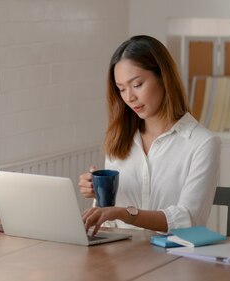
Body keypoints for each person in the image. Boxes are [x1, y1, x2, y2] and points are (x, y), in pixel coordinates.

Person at [79, 35, 221, 236]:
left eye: (137, 85)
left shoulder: (203, 143)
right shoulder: (119, 139)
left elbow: (188, 219)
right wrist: (99, 193)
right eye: (121, 89)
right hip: (123, 255)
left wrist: (124, 213)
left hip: (175, 258)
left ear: (163, 77)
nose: (129, 97)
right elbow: (110, 221)